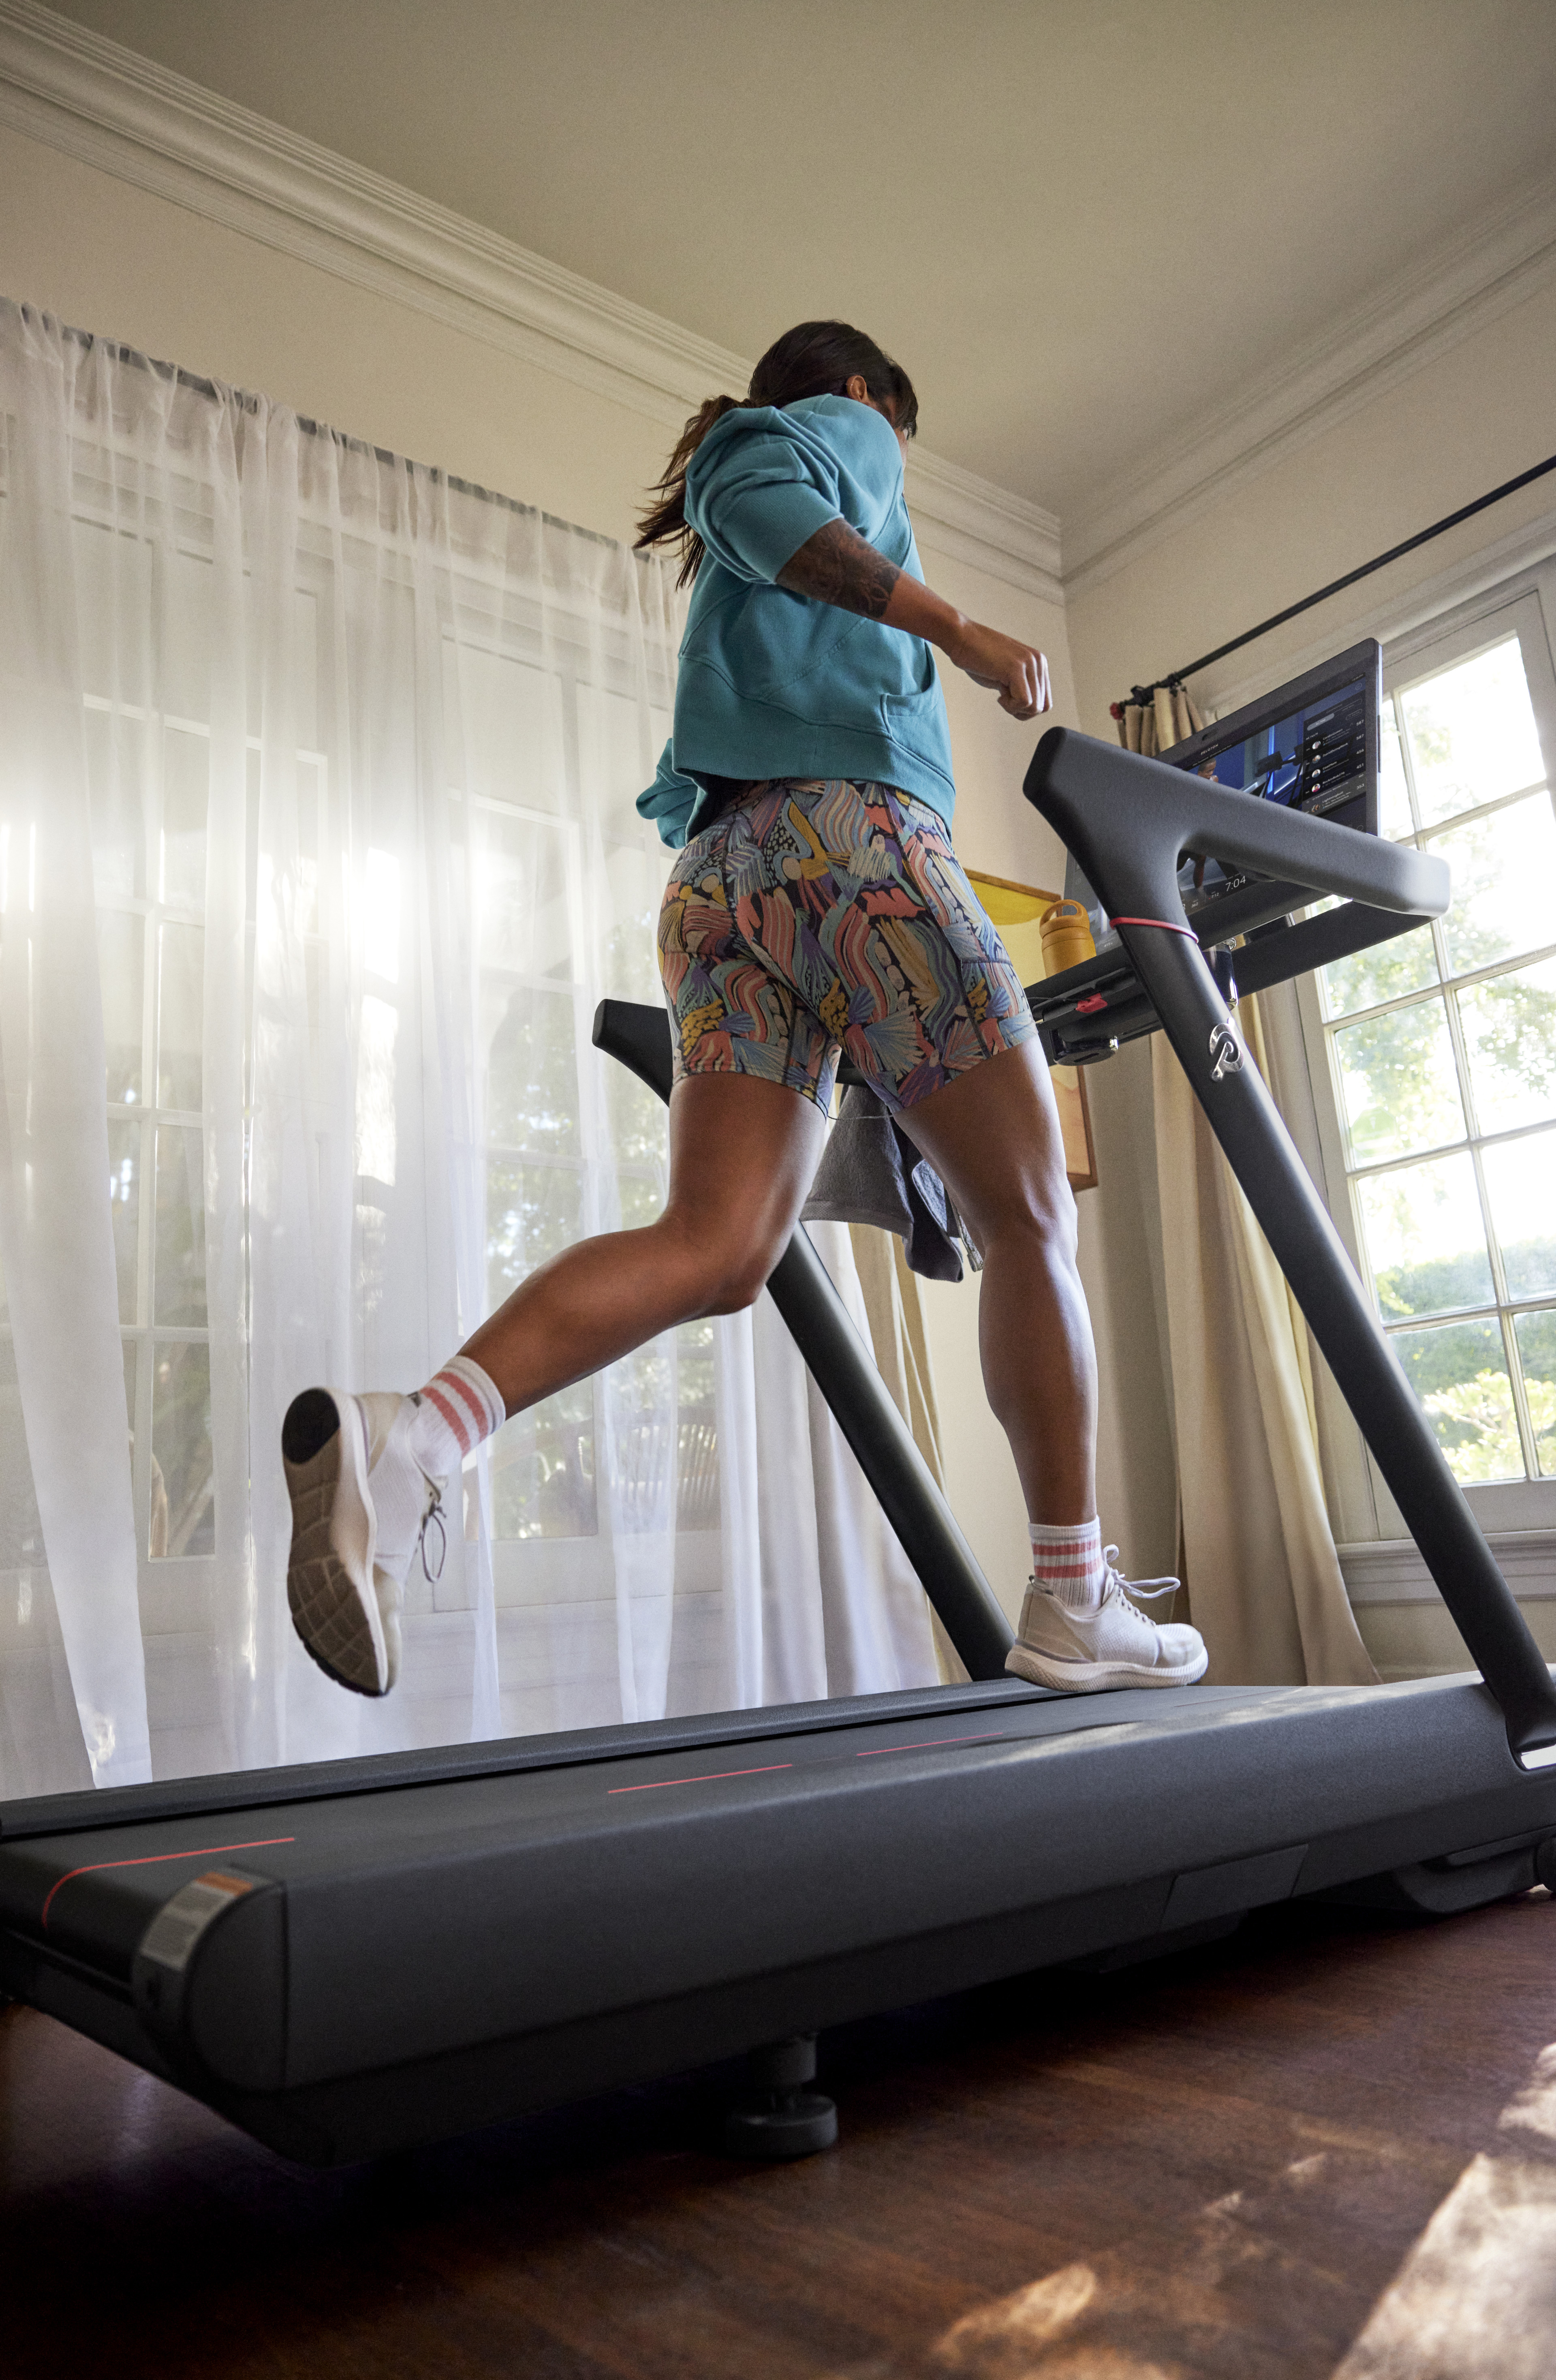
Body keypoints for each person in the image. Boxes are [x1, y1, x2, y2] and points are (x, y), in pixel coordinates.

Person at [282, 321, 1207, 1702]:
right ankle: (1075, 1597)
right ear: (861, 397)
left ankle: (417, 1438)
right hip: (856, 840)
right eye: (895, 427)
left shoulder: (747, 511)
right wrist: (953, 623)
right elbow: (773, 513)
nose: (895, 458)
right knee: (1029, 1217)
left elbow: (755, 534)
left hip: (721, 885)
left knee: (717, 1248)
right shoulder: (806, 437)